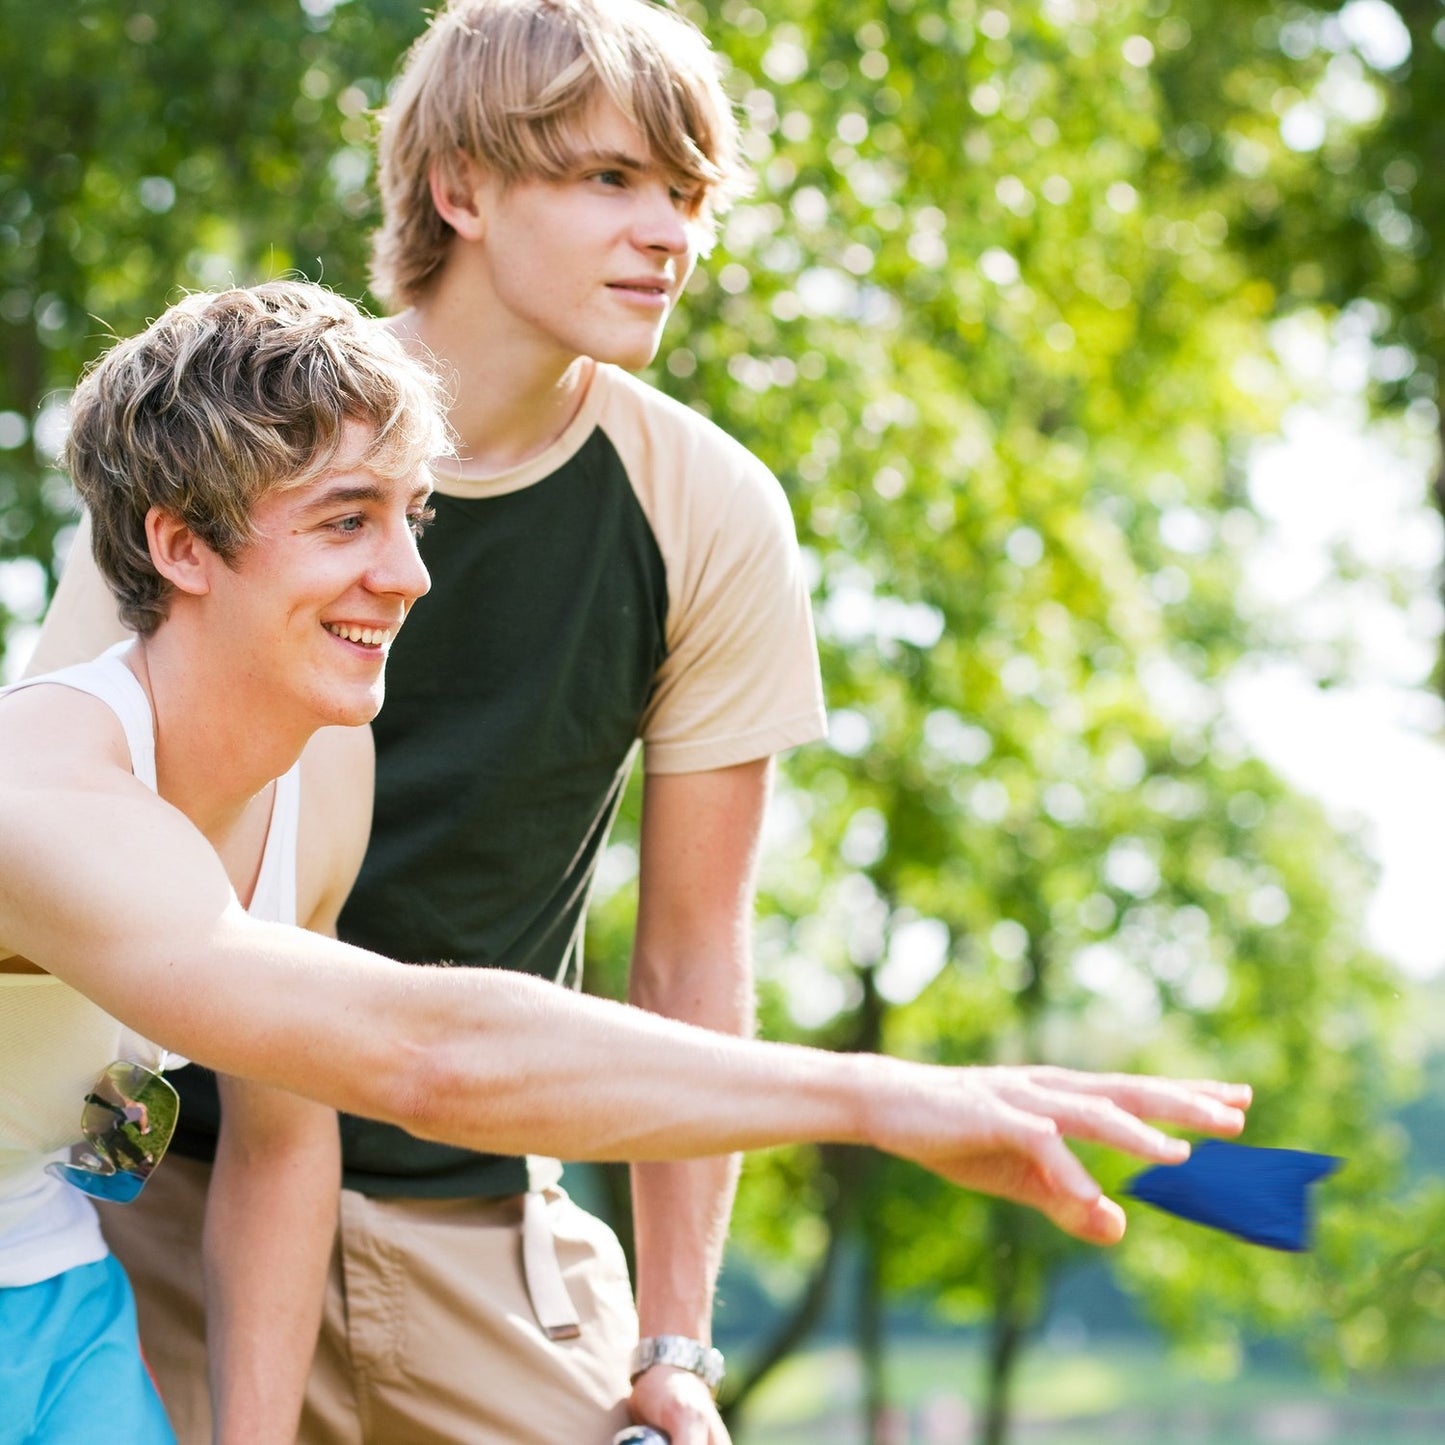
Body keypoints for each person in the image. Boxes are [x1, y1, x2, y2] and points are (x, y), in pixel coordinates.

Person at [17, 8, 1250, 1445]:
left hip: (471, 1194)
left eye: (685, 193)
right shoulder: (228, 462)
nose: (665, 231)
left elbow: (675, 955)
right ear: (459, 189)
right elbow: (133, 924)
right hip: (153, 1200)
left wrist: (678, 1332)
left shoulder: (697, 517)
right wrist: (878, 1096)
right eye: (610, 179)